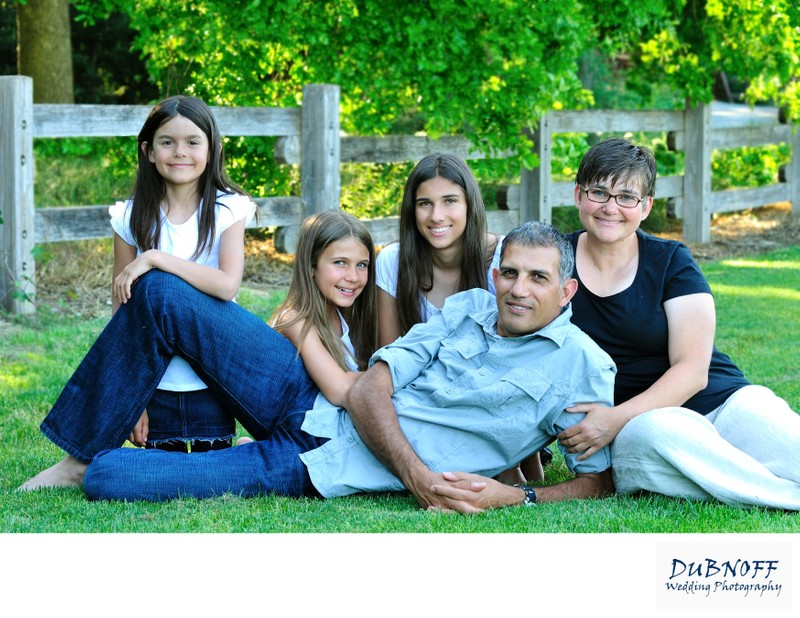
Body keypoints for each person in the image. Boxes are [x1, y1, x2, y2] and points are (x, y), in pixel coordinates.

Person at [20, 221, 616, 513]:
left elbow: (599, 481)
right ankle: (79, 445)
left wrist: (519, 498)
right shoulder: (468, 310)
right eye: (508, 272)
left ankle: (85, 467)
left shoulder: (583, 369)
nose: (517, 289)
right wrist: (414, 473)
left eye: (537, 278)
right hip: (305, 394)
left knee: (111, 479)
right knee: (163, 293)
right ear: (495, 274)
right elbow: (372, 384)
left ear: (566, 291)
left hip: (315, 465)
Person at [555, 137, 800, 510]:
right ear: (578, 195)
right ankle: (783, 496)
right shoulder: (555, 262)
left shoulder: (670, 260)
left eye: (627, 197)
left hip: (721, 402)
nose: (610, 207)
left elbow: (693, 370)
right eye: (599, 193)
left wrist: (612, 419)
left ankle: (733, 476)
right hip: (644, 427)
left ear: (646, 206)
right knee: (655, 435)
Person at [376, 153, 548, 482]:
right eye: (424, 203)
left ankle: (518, 457)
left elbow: (521, 353)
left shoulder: (503, 258)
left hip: (491, 392)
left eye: (450, 201)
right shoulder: (394, 260)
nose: (436, 215)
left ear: (470, 204)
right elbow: (391, 353)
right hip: (422, 392)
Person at [110, 94, 256, 453]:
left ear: (212, 150)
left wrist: (157, 258)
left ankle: (241, 446)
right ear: (148, 150)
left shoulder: (227, 210)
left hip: (213, 377)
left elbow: (226, 285)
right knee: (166, 472)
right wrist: (133, 398)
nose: (180, 152)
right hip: (157, 382)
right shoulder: (129, 217)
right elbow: (120, 310)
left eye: (193, 142)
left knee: (210, 471)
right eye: (167, 142)